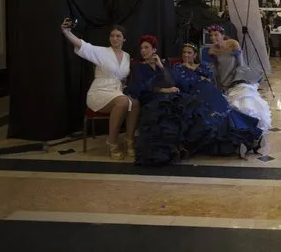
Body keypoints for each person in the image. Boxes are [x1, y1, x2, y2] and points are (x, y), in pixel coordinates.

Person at [129, 38, 263, 165]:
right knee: (212, 116)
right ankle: (239, 140)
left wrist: (200, 74)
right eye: (184, 52)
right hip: (194, 94)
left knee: (224, 111)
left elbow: (211, 78)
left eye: (189, 53)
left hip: (209, 90)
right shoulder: (178, 68)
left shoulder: (203, 65)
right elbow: (174, 82)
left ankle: (246, 136)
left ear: (195, 55)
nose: (186, 55)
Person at [60, 18, 139, 160]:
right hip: (100, 91)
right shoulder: (101, 52)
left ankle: (129, 140)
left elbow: (124, 78)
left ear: (124, 39)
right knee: (122, 102)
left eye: (118, 36)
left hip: (118, 90)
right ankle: (112, 142)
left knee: (135, 102)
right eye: (112, 36)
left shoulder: (127, 56)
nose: (114, 38)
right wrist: (66, 32)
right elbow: (82, 45)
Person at [207, 25, 272, 131]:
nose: (213, 37)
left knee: (244, 103)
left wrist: (236, 81)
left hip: (239, 79)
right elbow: (216, 70)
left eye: (216, 35)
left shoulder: (233, 44)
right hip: (224, 82)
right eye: (211, 35)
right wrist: (219, 86)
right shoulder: (212, 51)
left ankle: (253, 128)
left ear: (223, 35)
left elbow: (241, 64)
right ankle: (240, 129)